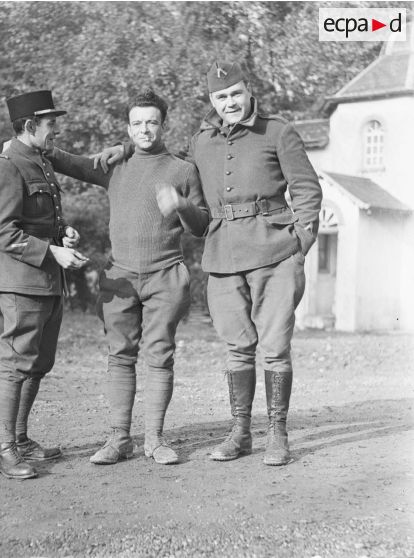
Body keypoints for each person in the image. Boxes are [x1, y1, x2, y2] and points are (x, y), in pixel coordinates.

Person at [99, 62, 322, 466]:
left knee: (274, 349)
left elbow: (307, 190)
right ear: (212, 101)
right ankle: (240, 433)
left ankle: (277, 434)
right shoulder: (203, 141)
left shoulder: (278, 131)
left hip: (274, 253)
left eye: (235, 93)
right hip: (221, 256)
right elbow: (164, 160)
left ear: (248, 90)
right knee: (237, 349)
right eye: (221, 97)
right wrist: (126, 147)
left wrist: (300, 244)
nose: (230, 102)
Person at [48, 89, 209, 465]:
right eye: (137, 123)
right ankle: (119, 438)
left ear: (163, 124)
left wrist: (182, 204)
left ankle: (154, 440)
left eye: (152, 121)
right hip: (118, 277)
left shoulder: (182, 170)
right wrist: (28, 145)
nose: (145, 129)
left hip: (165, 277)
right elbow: (69, 162)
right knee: (119, 357)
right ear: (128, 126)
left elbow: (201, 225)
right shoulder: (115, 165)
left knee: (159, 357)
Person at [0, 90, 89, 479]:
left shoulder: (39, 161)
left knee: (39, 362)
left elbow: (39, 221)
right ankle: (5, 449)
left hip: (46, 279)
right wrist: (52, 253)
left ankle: (22, 440)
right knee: (16, 364)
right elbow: (2, 233)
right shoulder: (5, 166)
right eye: (50, 125)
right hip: (21, 281)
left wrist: (65, 238)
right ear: (30, 127)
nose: (55, 131)